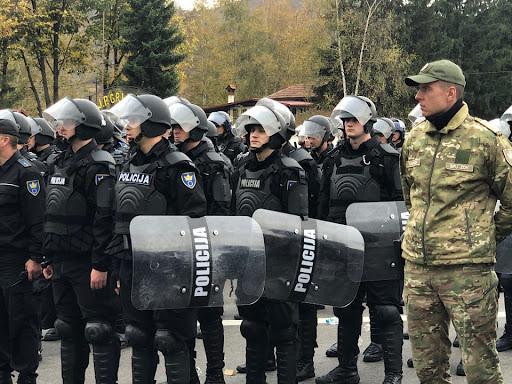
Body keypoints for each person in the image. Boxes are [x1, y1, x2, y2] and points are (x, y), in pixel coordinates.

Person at [401, 59, 512, 383]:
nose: (418, 96)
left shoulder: (486, 140)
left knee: (481, 367)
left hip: (468, 272)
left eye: (425, 88)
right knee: (428, 367)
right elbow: (411, 195)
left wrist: (483, 234)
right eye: (417, 89)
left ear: (450, 93)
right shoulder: (414, 139)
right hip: (419, 270)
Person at [106, 94, 207, 384]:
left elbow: (194, 221)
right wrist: (117, 267)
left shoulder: (178, 166)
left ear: (151, 124)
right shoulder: (128, 163)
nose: (127, 126)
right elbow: (119, 219)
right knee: (138, 335)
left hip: (168, 269)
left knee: (171, 338)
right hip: (132, 264)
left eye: (134, 120)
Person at [316, 95, 403, 384]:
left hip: (379, 248)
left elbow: (400, 204)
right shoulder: (333, 158)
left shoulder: (386, 158)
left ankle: (394, 373)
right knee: (346, 309)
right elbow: (324, 204)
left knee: (387, 311)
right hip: (344, 245)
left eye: (353, 120)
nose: (348, 124)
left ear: (367, 121)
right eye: (345, 120)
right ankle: (347, 369)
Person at [42, 97, 121, 384]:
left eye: (68, 123)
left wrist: (101, 265)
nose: (61, 128)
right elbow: (52, 212)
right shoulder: (59, 162)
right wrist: (48, 257)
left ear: (84, 126)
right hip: (61, 262)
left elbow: (104, 218)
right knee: (66, 328)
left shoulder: (100, 165)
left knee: (98, 330)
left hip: (88, 262)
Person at [232, 101, 308, 384]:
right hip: (249, 261)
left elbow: (298, 223)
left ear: (276, 133)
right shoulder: (241, 167)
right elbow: (233, 213)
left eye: (261, 129)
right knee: (252, 327)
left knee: (285, 332)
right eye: (251, 129)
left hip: (279, 264)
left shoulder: (290, 171)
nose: (253, 134)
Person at [170, 100, 231, 384]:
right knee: (182, 317)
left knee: (209, 315)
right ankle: (190, 373)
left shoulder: (213, 164)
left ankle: (215, 373)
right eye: (172, 126)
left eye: (180, 127)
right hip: (181, 250)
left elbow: (220, 213)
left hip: (208, 249)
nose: (174, 132)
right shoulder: (175, 159)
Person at [0, 118, 45, 384]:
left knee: (22, 319)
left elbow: (37, 220)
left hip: (17, 259)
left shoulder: (26, 172)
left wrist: (35, 257)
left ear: (4, 139)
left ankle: (27, 375)